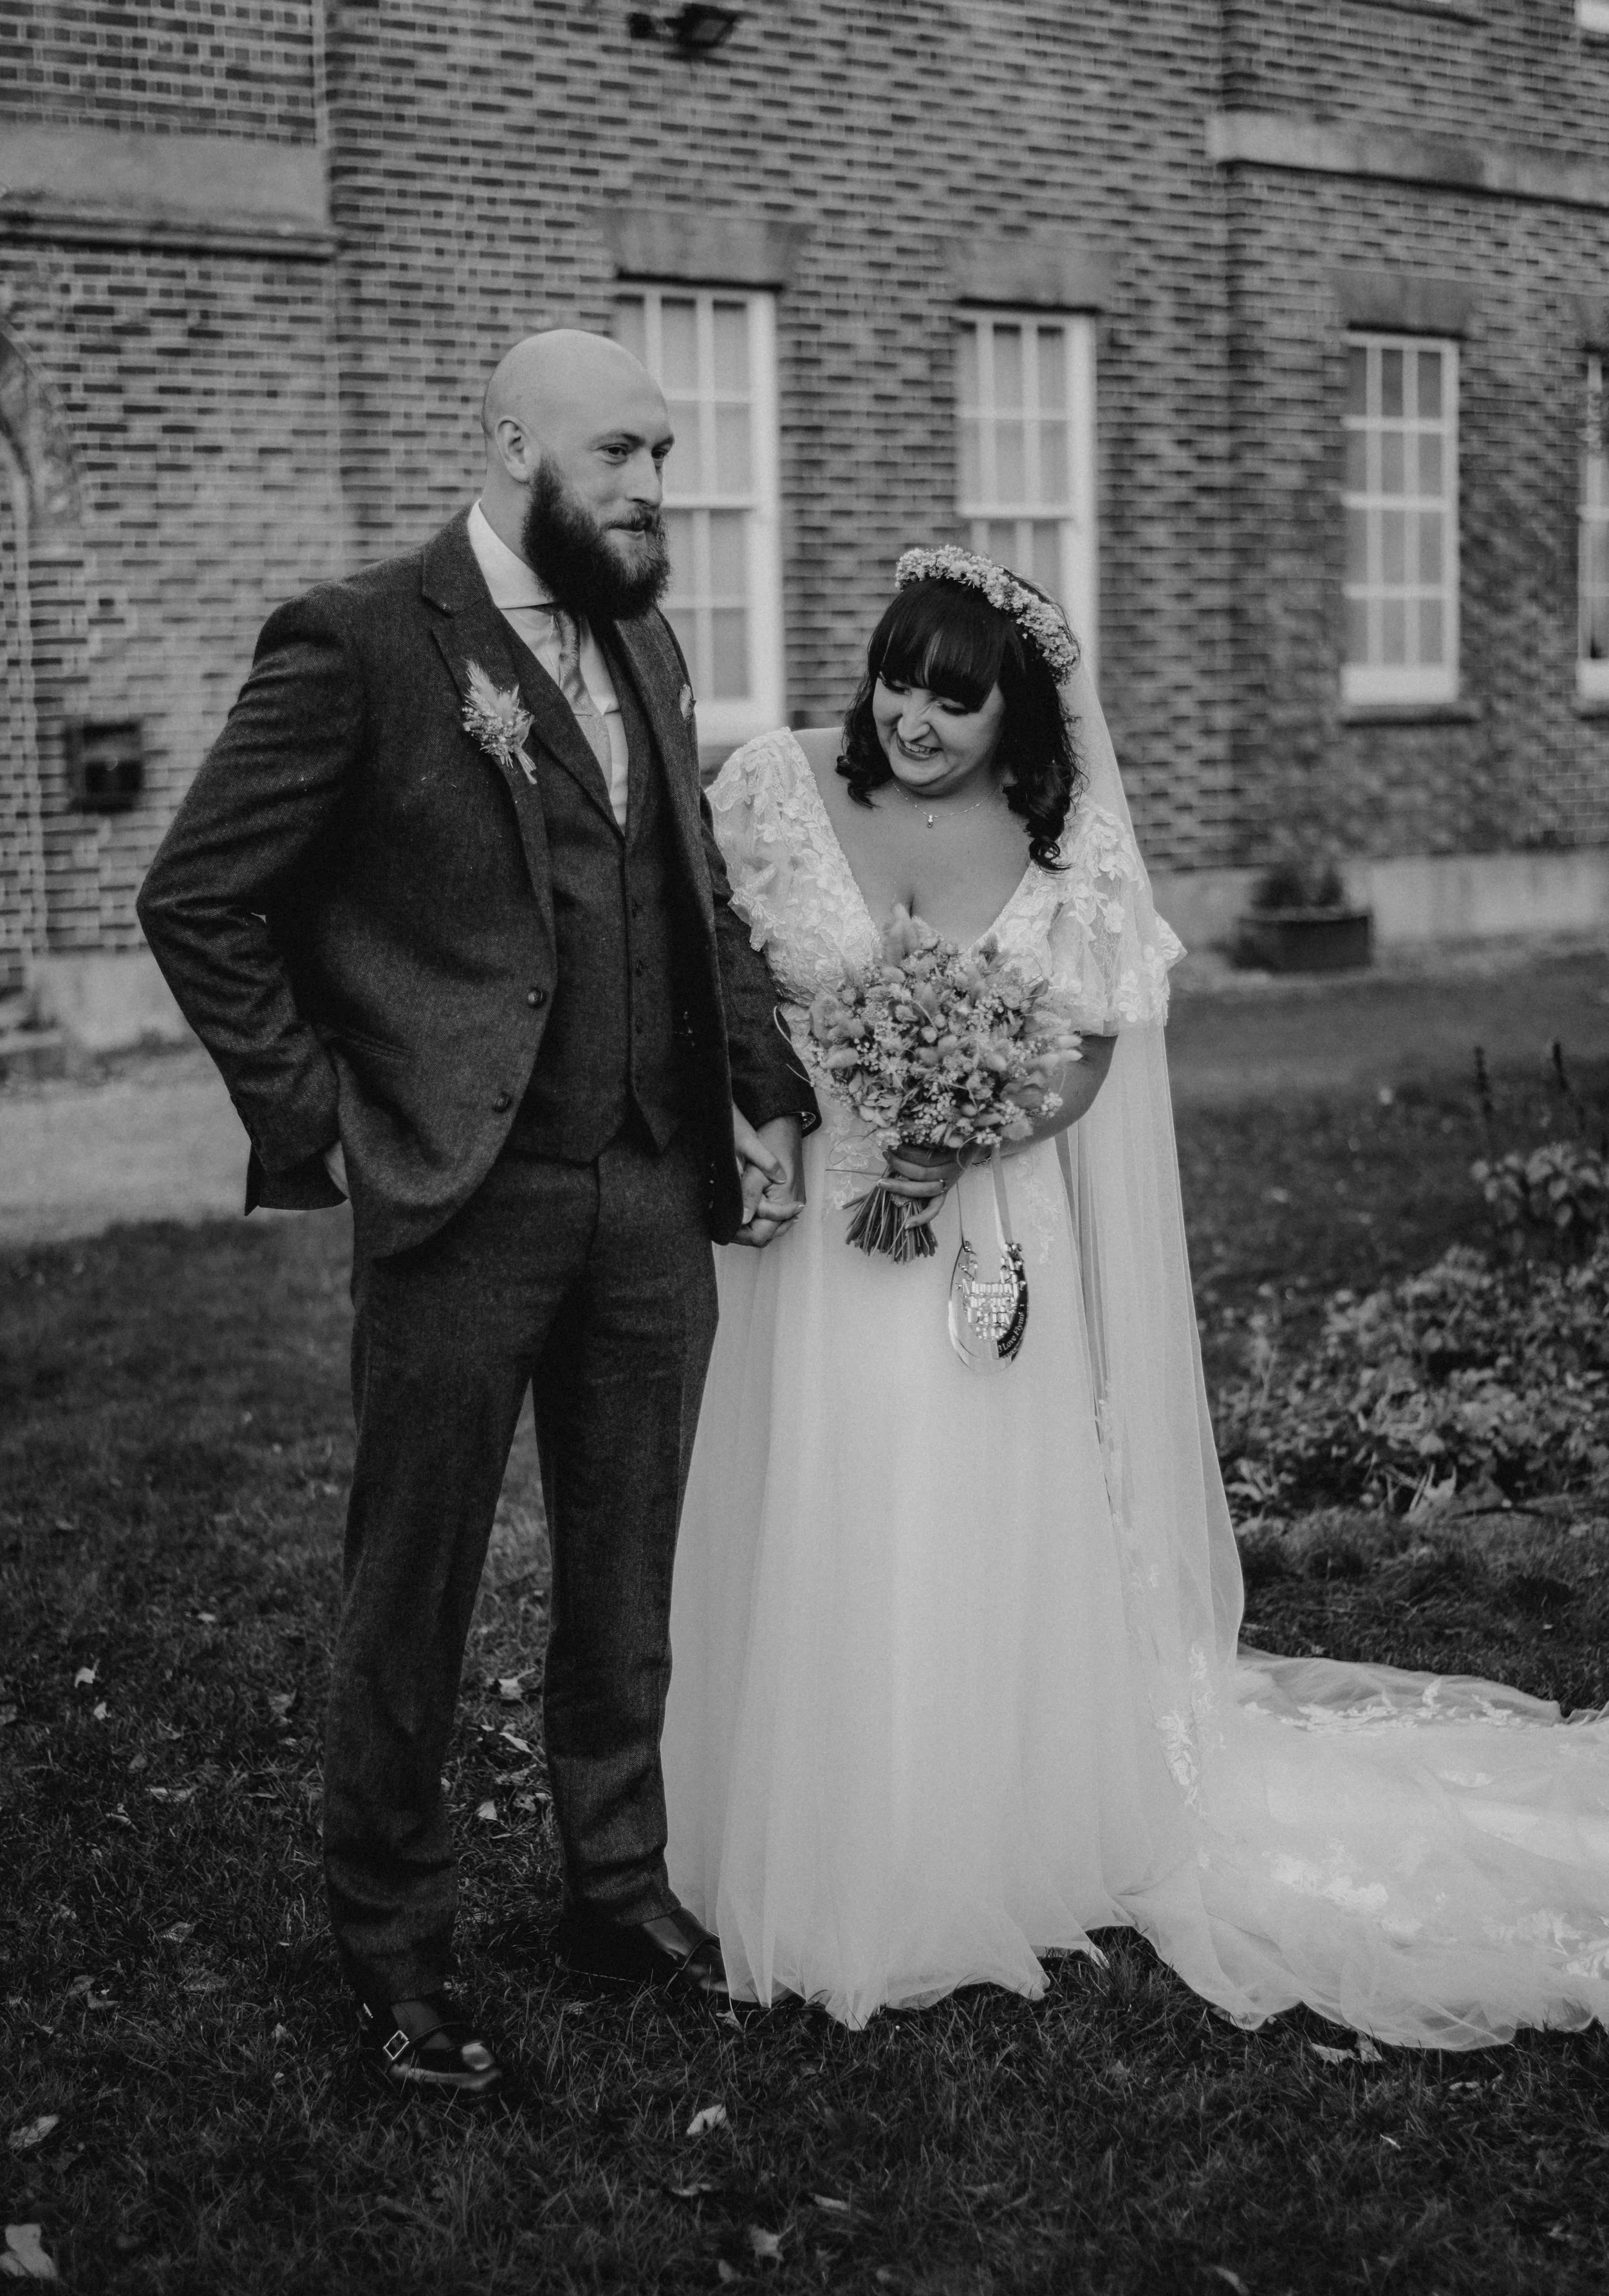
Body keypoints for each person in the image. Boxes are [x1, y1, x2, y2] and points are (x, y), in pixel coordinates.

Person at [662, 544, 1609, 2045]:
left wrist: (963, 1127)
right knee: (822, 1504)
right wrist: (770, 1114)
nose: (913, 719)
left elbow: (1098, 1043)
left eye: (954, 703)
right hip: (818, 1233)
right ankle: (809, 1820)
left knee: (967, 1513)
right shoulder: (774, 789)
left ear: (1012, 717)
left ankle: (976, 1839)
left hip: (983, 1224)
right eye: (898, 681)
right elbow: (700, 974)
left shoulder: (1054, 844)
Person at [136, 330, 815, 2095]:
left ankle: (614, 1887)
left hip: (650, 1190)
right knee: (414, 1581)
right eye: (620, 452)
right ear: (512, 441)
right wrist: (329, 1123)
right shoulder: (361, 641)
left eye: (663, 451)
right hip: (457, 1198)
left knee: (626, 1566)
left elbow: (691, 899)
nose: (654, 485)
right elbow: (200, 894)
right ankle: (395, 1942)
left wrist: (756, 1091)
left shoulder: (646, 641)